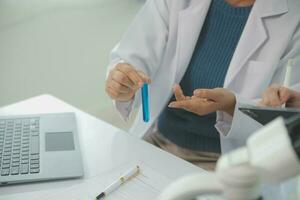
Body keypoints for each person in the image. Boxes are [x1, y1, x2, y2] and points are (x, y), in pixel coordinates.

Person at [105, 0, 300, 171]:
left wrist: (232, 105)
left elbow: (287, 116)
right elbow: (131, 57)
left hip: (228, 163)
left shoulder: (293, 19)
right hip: (158, 141)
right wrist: (124, 84)